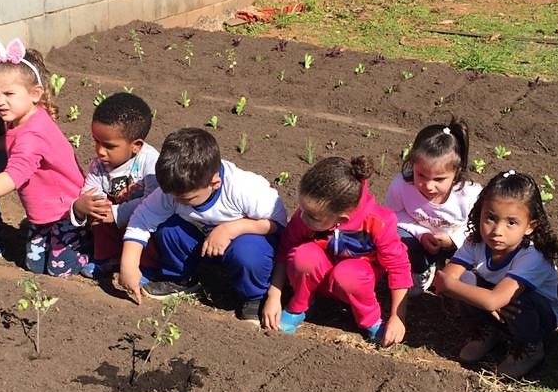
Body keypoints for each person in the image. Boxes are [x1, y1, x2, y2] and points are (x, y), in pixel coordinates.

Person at [0, 23, 90, 277]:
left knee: (58, 272)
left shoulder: (34, 133)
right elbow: (10, 138)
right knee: (34, 266)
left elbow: (14, 176)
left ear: (35, 94)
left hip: (63, 211)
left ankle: (89, 248)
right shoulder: (21, 117)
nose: (0, 102)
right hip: (40, 213)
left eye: (9, 94)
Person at [119, 128, 286, 322]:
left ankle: (254, 296)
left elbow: (280, 225)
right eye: (174, 197)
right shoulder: (177, 189)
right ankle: (180, 279)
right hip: (204, 245)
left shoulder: (245, 189)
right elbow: (142, 219)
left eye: (185, 198)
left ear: (214, 183)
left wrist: (232, 228)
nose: (178, 202)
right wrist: (129, 265)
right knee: (168, 229)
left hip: (242, 246)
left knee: (248, 252)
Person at [262, 156, 412, 346]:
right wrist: (274, 296)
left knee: (349, 274)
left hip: (354, 281)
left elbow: (399, 267)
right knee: (302, 256)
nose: (302, 217)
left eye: (312, 217)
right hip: (319, 274)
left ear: (341, 219)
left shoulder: (378, 222)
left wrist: (398, 317)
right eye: (303, 209)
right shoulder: (311, 214)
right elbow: (285, 250)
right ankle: (300, 306)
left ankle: (370, 318)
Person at [434, 170, 558, 377]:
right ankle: (489, 331)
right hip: (498, 297)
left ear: (530, 227)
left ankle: (529, 346)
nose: (497, 231)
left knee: (518, 300)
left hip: (539, 311)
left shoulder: (532, 256)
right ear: (479, 215)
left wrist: (456, 287)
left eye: (511, 222)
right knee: (467, 279)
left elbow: (453, 285)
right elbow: (441, 282)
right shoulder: (475, 242)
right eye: (491, 218)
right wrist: (481, 298)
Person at [69, 92, 159, 277]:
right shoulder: (99, 165)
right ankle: (106, 257)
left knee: (147, 225)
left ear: (136, 145)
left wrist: (117, 212)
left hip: (143, 217)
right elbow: (90, 189)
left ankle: (146, 267)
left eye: (109, 146)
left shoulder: (150, 163)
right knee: (97, 213)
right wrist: (89, 205)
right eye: (96, 141)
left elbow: (155, 202)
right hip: (114, 215)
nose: (100, 151)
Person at [384, 120, 481, 292]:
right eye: (420, 175)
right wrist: (421, 234)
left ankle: (454, 273)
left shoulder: (469, 194)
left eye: (439, 179)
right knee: (395, 235)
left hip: (457, 247)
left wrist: (453, 239)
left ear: (457, 172)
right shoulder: (401, 185)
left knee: (479, 250)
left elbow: (479, 226)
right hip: (418, 240)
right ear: (412, 163)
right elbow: (392, 215)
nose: (428, 186)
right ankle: (421, 268)